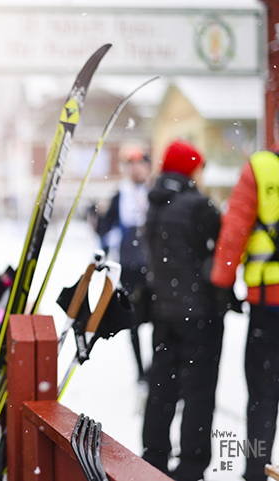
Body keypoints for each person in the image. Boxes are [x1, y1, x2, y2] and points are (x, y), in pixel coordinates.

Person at [141, 140, 224, 481]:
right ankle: (191, 465)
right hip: (199, 315)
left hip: (164, 312)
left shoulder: (154, 203)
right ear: (191, 169)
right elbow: (221, 252)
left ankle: (154, 456)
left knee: (162, 388)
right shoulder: (198, 205)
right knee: (198, 392)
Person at [210, 146, 279, 481]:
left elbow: (235, 228)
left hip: (269, 305)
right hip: (266, 303)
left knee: (263, 396)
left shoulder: (260, 168)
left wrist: (223, 284)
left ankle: (255, 471)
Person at [95, 147, 153, 380]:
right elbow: (104, 230)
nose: (136, 169)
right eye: (131, 164)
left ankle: (156, 369)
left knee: (161, 320)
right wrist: (97, 217)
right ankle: (141, 371)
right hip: (129, 268)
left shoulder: (156, 192)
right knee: (134, 322)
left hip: (155, 268)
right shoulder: (120, 195)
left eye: (140, 163)